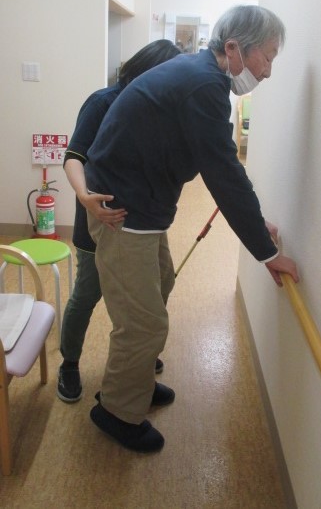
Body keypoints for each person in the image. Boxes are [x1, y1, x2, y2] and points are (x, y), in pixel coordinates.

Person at [84, 5, 300, 453]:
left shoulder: (201, 77)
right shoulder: (203, 84)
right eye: (267, 57)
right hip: (124, 213)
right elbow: (224, 172)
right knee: (143, 322)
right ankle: (116, 411)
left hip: (141, 206)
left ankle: (135, 381)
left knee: (160, 284)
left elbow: (217, 162)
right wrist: (267, 252)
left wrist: (254, 221)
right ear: (234, 48)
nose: (268, 71)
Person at [57, 40, 182, 403]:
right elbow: (74, 157)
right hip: (101, 221)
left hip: (143, 224)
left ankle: (135, 364)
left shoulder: (158, 110)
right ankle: (69, 362)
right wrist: (85, 197)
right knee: (88, 294)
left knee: (154, 289)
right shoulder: (103, 102)